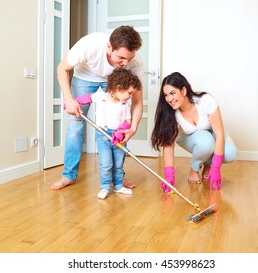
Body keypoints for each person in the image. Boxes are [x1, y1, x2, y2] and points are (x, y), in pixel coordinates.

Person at [51, 26, 144, 191]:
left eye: (130, 58)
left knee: (119, 129)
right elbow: (62, 68)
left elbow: (137, 101)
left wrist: (134, 127)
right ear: (109, 47)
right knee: (75, 124)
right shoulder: (90, 44)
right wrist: (69, 99)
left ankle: (118, 178)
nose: (125, 63)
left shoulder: (134, 66)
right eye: (121, 58)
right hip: (85, 78)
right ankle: (69, 175)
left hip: (116, 81)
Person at [151, 72, 238, 192]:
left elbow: (219, 134)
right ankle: (194, 168)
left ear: (184, 91)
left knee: (230, 153)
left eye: (172, 93)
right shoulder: (170, 113)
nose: (169, 99)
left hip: (213, 133)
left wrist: (216, 167)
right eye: (166, 95)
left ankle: (208, 164)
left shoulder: (205, 100)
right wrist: (169, 177)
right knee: (205, 141)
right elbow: (168, 148)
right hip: (190, 138)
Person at [74, 68, 142, 199]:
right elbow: (87, 98)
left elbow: (128, 120)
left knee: (118, 164)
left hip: (119, 137)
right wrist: (73, 103)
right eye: (129, 93)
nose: (130, 96)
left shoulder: (125, 104)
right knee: (106, 164)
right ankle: (104, 187)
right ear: (118, 87)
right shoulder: (101, 97)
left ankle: (118, 186)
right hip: (103, 135)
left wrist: (120, 131)